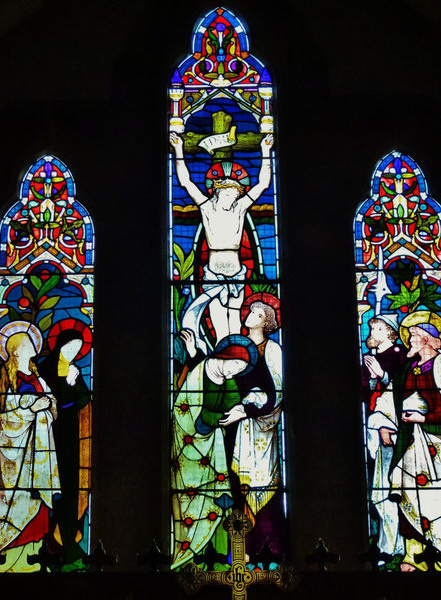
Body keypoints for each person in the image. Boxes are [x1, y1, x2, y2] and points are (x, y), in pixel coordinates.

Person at [388, 311, 441, 571]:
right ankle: (413, 554)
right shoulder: (410, 368)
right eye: (410, 335)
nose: (410, 340)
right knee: (406, 495)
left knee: (436, 500)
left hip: (435, 445)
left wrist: (422, 419)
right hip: (412, 441)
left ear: (427, 339)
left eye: (414, 336)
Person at [170, 131, 274, 342]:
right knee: (218, 322)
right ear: (217, 193)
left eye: (236, 195)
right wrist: (178, 149)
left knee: (235, 322)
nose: (233, 198)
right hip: (213, 273)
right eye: (229, 194)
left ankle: (239, 365)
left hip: (237, 273)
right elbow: (186, 182)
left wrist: (265, 151)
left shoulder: (240, 209)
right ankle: (220, 367)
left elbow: (262, 185)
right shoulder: (207, 208)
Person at [171, 335, 258, 569]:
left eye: (241, 369)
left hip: (216, 453)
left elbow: (232, 403)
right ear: (223, 357)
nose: (236, 372)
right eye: (236, 365)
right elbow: (188, 416)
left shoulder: (226, 377)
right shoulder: (198, 375)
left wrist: (239, 410)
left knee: (222, 502)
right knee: (195, 502)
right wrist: (221, 419)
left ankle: (223, 557)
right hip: (191, 454)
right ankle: (193, 557)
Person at [0, 321, 59, 560]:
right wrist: (31, 408)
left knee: (37, 502)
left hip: (39, 451)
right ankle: (10, 557)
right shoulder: (6, 379)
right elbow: (3, 415)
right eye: (28, 342)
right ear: (16, 350)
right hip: (16, 453)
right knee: (17, 499)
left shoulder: (37, 376)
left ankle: (35, 551)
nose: (33, 346)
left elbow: (52, 404)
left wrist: (47, 406)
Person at [231, 293, 285, 557]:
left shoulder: (273, 350)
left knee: (264, 484)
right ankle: (243, 549)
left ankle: (268, 548)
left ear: (267, 322)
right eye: (250, 311)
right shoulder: (238, 347)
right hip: (240, 427)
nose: (250, 315)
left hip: (264, 427)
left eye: (257, 313)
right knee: (240, 482)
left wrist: (251, 408)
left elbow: (278, 391)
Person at [37, 325, 92, 568]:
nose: (74, 352)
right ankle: (56, 541)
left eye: (78, 349)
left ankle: (67, 540)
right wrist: (67, 387)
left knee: (70, 487)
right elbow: (47, 399)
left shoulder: (74, 371)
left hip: (72, 436)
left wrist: (74, 383)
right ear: (60, 345)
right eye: (71, 347)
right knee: (54, 489)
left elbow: (84, 400)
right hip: (49, 436)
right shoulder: (45, 369)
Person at [361, 314, 406, 562]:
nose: (372, 332)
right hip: (376, 431)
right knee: (379, 494)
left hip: (389, 431)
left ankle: (390, 549)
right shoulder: (374, 358)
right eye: (371, 328)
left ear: (390, 332)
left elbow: (403, 388)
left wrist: (383, 375)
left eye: (377, 328)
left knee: (385, 493)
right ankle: (392, 545)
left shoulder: (399, 356)